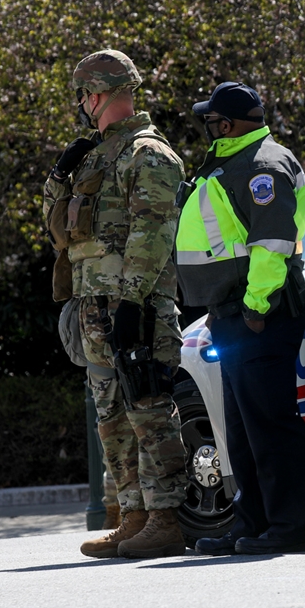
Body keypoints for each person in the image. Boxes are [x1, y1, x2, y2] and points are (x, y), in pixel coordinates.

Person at [43, 49, 188, 559]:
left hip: (136, 307)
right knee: (112, 418)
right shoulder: (94, 157)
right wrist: (58, 176)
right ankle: (133, 517)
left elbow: (153, 233)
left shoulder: (148, 154)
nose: (82, 104)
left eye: (84, 95)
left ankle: (166, 519)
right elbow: (57, 230)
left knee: (149, 411)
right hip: (94, 306)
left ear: (99, 94)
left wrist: (131, 302)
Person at [174, 81, 305, 555]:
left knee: (270, 424)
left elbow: (272, 245)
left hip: (259, 313)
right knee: (242, 428)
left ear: (228, 124)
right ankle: (251, 524)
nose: (207, 127)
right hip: (233, 314)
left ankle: (291, 525)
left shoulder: (262, 166)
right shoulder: (237, 160)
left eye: (212, 120)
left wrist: (256, 309)